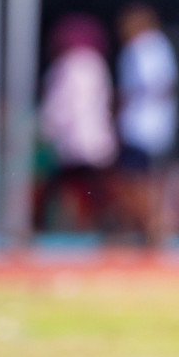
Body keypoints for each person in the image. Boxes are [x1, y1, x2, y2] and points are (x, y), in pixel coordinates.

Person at [39, 14, 118, 232]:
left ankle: (44, 229)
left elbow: (58, 106)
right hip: (96, 138)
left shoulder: (66, 65)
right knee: (97, 190)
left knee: (58, 187)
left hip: (72, 140)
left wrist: (46, 130)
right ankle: (110, 228)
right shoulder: (96, 63)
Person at [115, 3, 178, 247]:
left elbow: (135, 88)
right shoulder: (161, 46)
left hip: (140, 126)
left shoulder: (141, 48)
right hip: (157, 126)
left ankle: (155, 224)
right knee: (148, 179)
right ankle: (155, 224)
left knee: (135, 180)